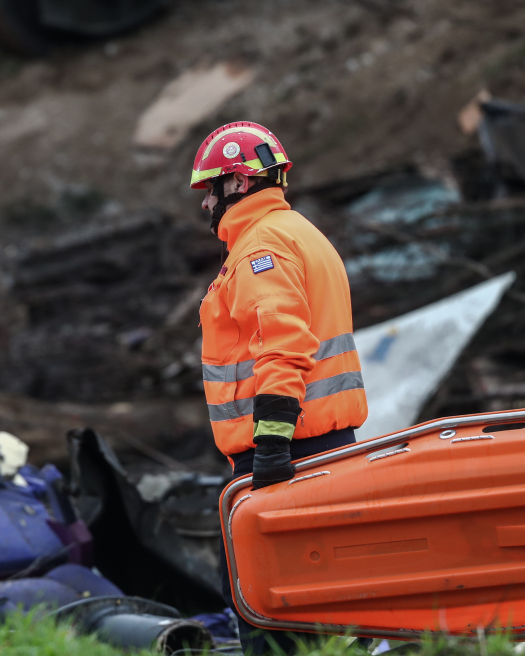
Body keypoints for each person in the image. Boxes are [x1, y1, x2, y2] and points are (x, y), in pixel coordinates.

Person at [190, 121, 368, 653]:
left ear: (239, 184)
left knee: (269, 605)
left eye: (212, 188)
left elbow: (283, 345)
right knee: (330, 603)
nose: (206, 205)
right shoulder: (301, 234)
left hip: (287, 455)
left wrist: (270, 443)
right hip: (323, 448)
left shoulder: (259, 248)